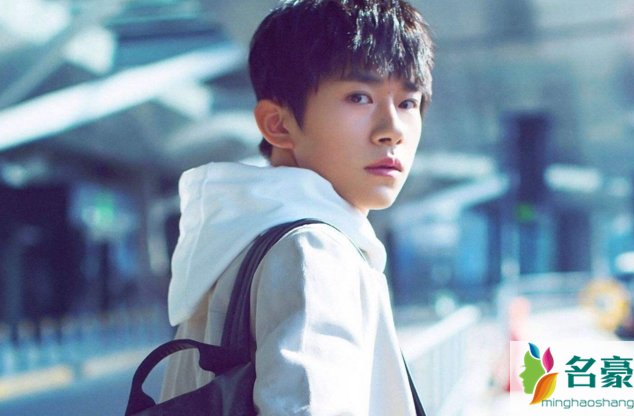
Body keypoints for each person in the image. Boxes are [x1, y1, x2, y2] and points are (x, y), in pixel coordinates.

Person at [159, 0, 434, 414]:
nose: (392, 130)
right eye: (359, 97)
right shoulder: (312, 250)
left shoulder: (239, 240)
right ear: (279, 124)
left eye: (408, 103)